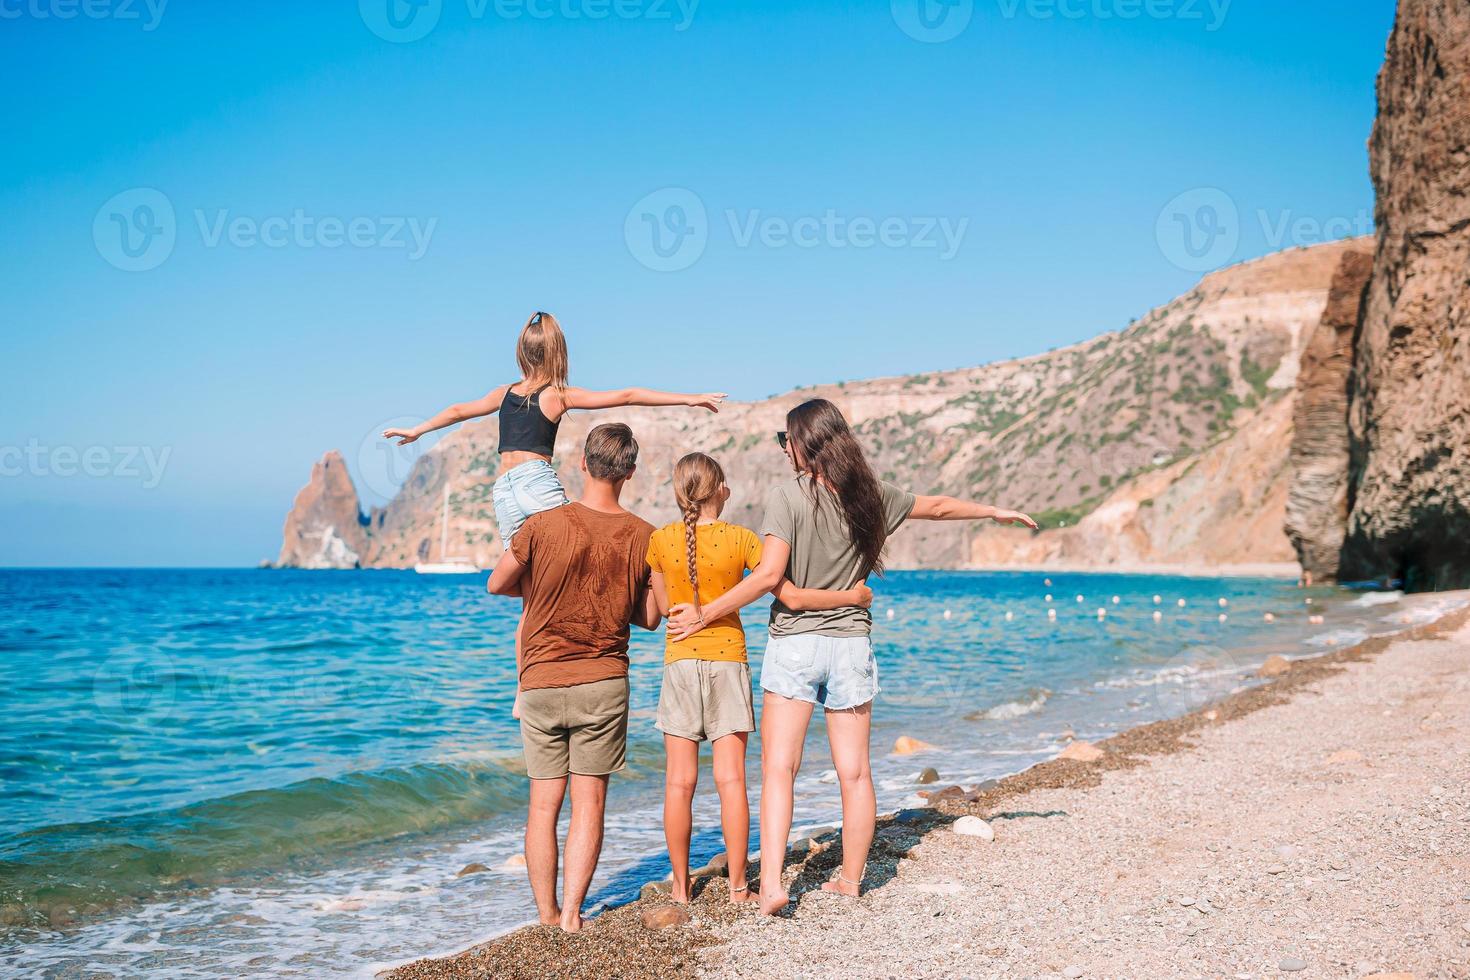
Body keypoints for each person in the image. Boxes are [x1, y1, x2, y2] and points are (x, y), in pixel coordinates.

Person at [668, 398, 1037, 916]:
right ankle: (850, 880)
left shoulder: (787, 498)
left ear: (804, 443)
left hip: (795, 644)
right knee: (855, 772)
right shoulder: (872, 496)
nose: (784, 449)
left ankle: (772, 884)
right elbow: (939, 507)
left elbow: (771, 578)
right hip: (849, 646)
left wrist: (705, 615)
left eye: (786, 441)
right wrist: (995, 511)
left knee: (780, 769)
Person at [384, 311, 723, 716]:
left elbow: (458, 410)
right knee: (581, 546)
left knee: (533, 595)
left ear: (521, 353)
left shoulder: (502, 393)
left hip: (504, 490)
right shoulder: (557, 395)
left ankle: (524, 689)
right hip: (534, 482)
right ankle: (610, 628)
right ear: (558, 354)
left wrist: (418, 430)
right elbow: (627, 394)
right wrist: (688, 398)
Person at [646, 452, 872, 906]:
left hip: (679, 665)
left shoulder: (659, 541)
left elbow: (661, 608)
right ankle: (737, 886)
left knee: (678, 783)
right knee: (731, 780)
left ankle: (679, 887)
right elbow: (784, 593)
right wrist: (851, 595)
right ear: (721, 490)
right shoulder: (743, 540)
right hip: (729, 661)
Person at [486, 422, 659, 933]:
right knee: (591, 802)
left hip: (540, 680)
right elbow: (649, 617)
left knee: (544, 804)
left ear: (581, 464)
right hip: (603, 682)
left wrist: (543, 590)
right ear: (629, 471)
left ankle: (543, 913)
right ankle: (571, 915)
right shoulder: (644, 535)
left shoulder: (541, 525)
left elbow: (497, 584)